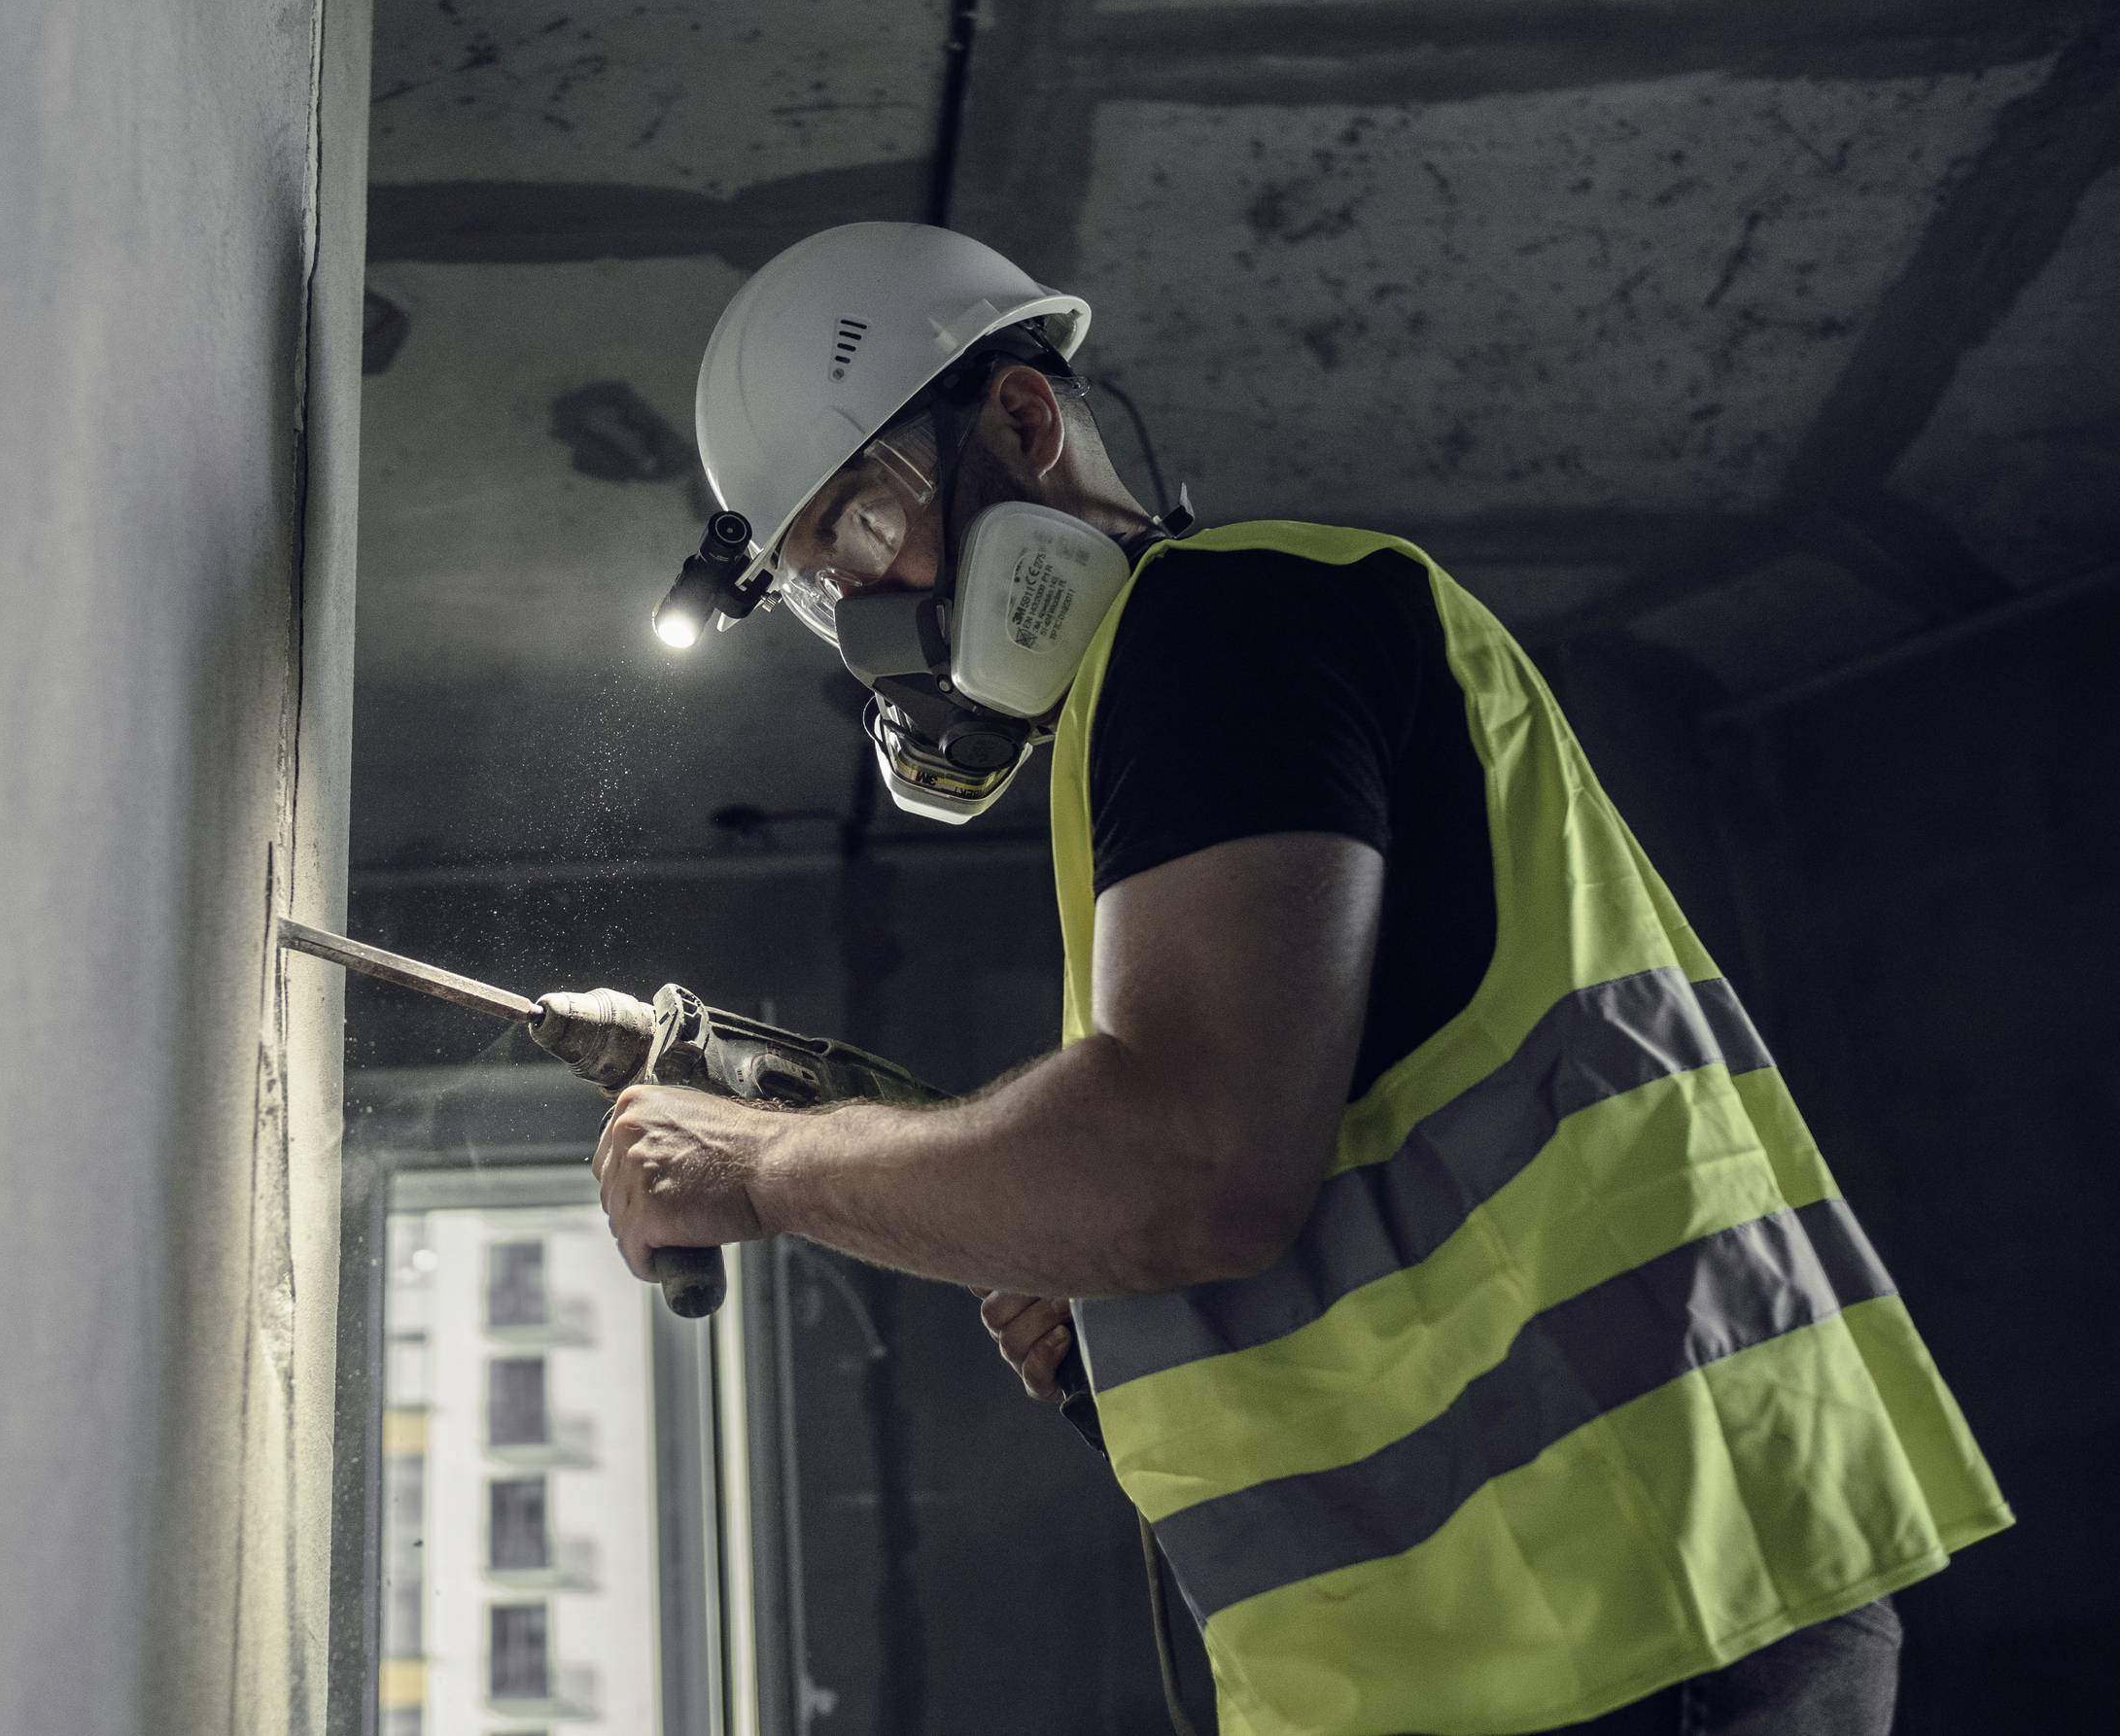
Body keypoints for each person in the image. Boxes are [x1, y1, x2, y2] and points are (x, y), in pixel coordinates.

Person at [592, 222, 2009, 1736]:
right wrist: (1123, 1332)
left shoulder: (1221, 630)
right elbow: (1307, 1185)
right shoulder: (1176, 705)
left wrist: (770, 1163)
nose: (874, 617)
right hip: (1588, 1617)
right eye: (824, 584)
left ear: (1019, 418)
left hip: (1621, 1611)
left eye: (869, 529)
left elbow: (1194, 1164)